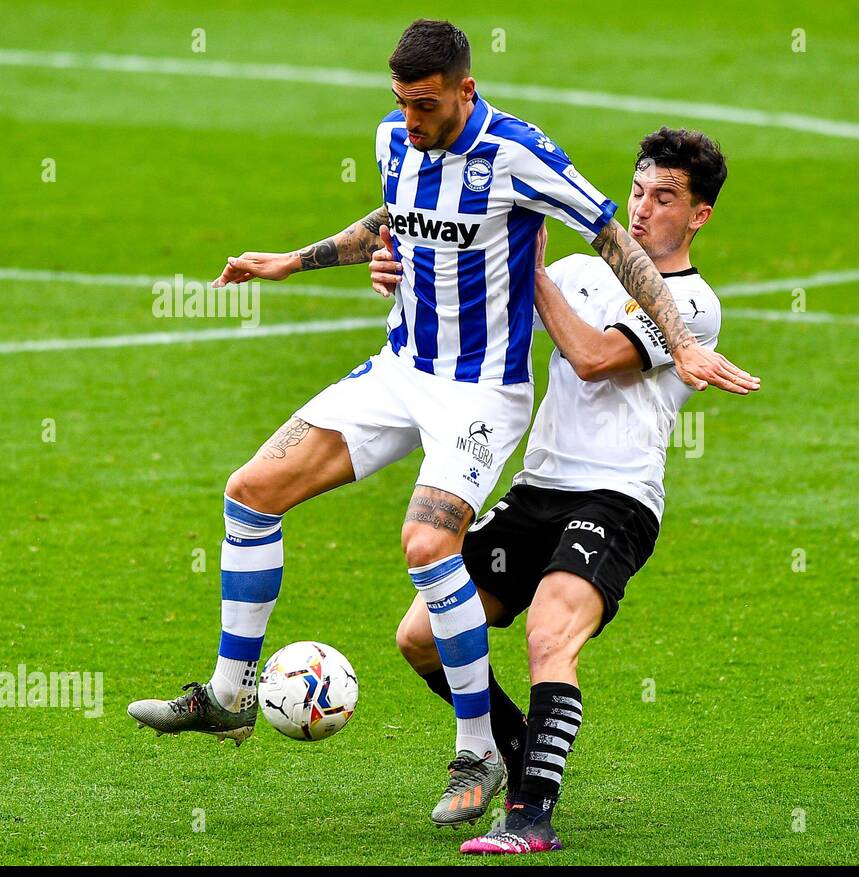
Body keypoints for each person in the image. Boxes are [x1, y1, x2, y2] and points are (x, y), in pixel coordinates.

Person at [127, 20, 758, 828]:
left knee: (426, 545)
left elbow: (610, 238)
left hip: (478, 394)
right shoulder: (398, 138)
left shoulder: (519, 154)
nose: (411, 120)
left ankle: (481, 749)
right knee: (251, 492)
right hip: (400, 369)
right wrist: (298, 259)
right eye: (400, 104)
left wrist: (678, 338)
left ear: (465, 89)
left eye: (425, 105)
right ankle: (227, 695)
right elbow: (393, 217)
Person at [381, 127, 749, 852]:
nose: (642, 210)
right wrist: (400, 274)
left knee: (550, 636)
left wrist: (533, 273)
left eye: (665, 199)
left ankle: (531, 818)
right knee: (420, 637)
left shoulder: (692, 306)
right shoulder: (585, 266)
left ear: (700, 214)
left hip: (616, 499)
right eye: (638, 192)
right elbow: (466, 305)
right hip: (537, 489)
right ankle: (508, 755)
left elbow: (590, 358)